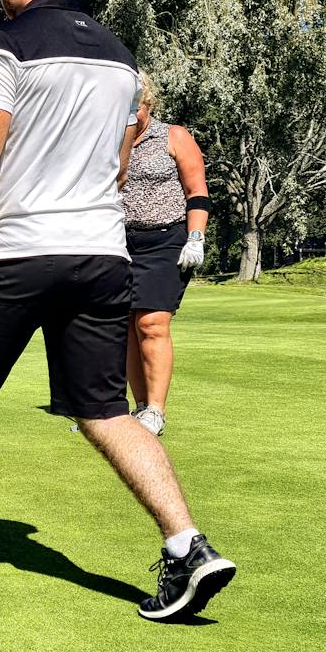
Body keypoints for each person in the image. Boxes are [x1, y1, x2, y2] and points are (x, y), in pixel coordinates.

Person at [0, 0, 234, 621]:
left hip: (20, 250)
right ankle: (188, 544)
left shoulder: (3, 44)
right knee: (106, 410)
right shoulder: (119, 58)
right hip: (102, 254)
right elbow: (114, 165)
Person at [122, 74, 210, 436]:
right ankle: (139, 408)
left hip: (166, 240)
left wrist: (196, 237)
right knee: (126, 326)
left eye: (136, 107)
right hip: (120, 242)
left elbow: (197, 191)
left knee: (151, 323)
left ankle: (156, 410)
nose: (132, 114)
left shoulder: (174, 136)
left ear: (149, 104)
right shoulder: (113, 140)